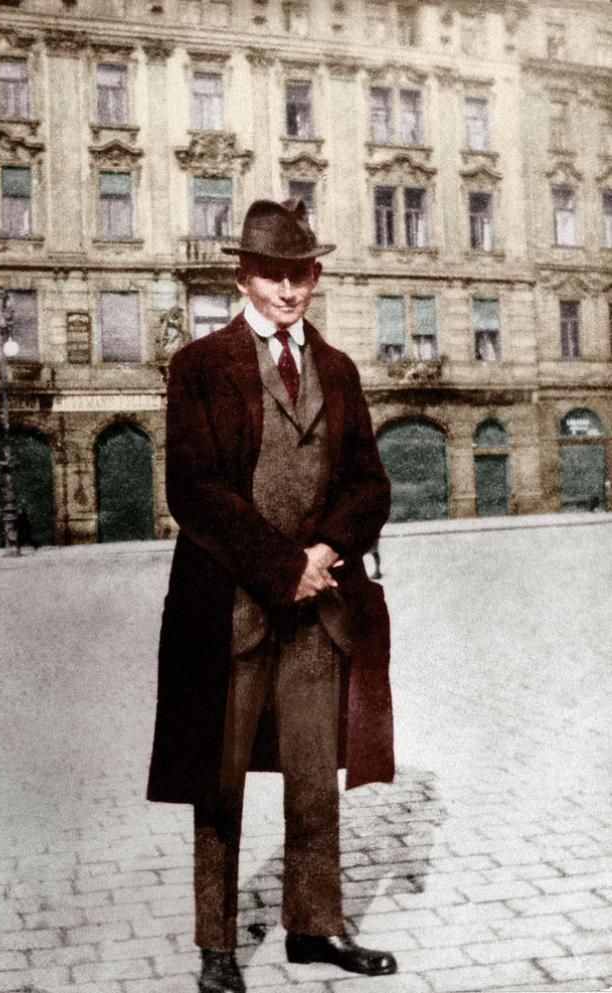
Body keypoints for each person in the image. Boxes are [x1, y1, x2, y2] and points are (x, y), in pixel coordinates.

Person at [147, 198, 396, 993]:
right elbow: (194, 489)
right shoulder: (199, 366)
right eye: (273, 274)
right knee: (216, 782)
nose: (290, 290)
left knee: (315, 777)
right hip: (233, 607)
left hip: (319, 609)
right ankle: (216, 946)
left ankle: (315, 925)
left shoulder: (340, 369)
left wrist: (325, 551)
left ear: (316, 277)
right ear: (244, 276)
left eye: (303, 274)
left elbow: (369, 483)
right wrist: (280, 563)